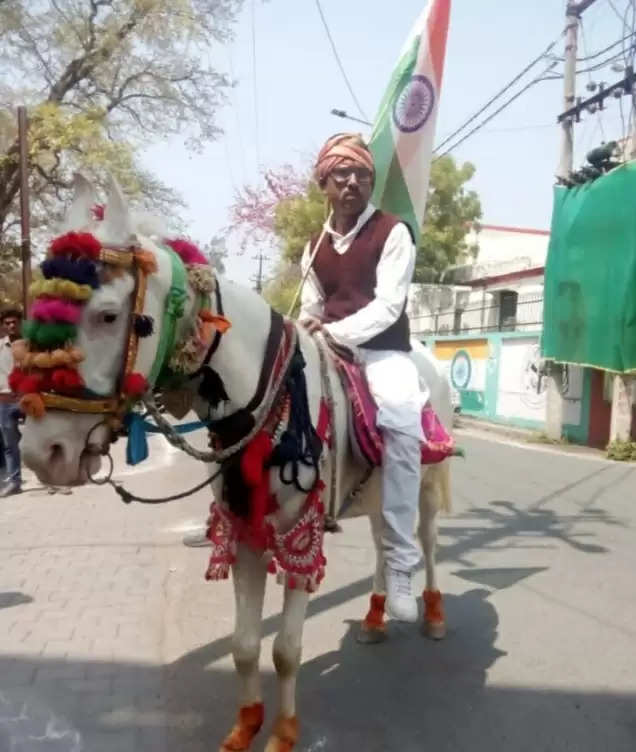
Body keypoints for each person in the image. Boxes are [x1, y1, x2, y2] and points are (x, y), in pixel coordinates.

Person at [299, 133, 427, 623]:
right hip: (327, 348)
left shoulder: (394, 232)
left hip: (382, 351)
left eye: (362, 175)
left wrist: (333, 331)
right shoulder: (312, 248)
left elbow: (389, 305)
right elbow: (310, 308)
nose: (353, 182)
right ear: (324, 183)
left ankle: (398, 563)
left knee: (400, 426)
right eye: (342, 175)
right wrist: (310, 331)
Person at [0, 307, 23, 498]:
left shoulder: (31, 345)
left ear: (20, 323)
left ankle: (51, 480)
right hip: (5, 401)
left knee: (38, 441)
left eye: (14, 322)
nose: (11, 325)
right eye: (7, 323)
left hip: (28, 399)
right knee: (10, 444)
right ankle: (15, 482)